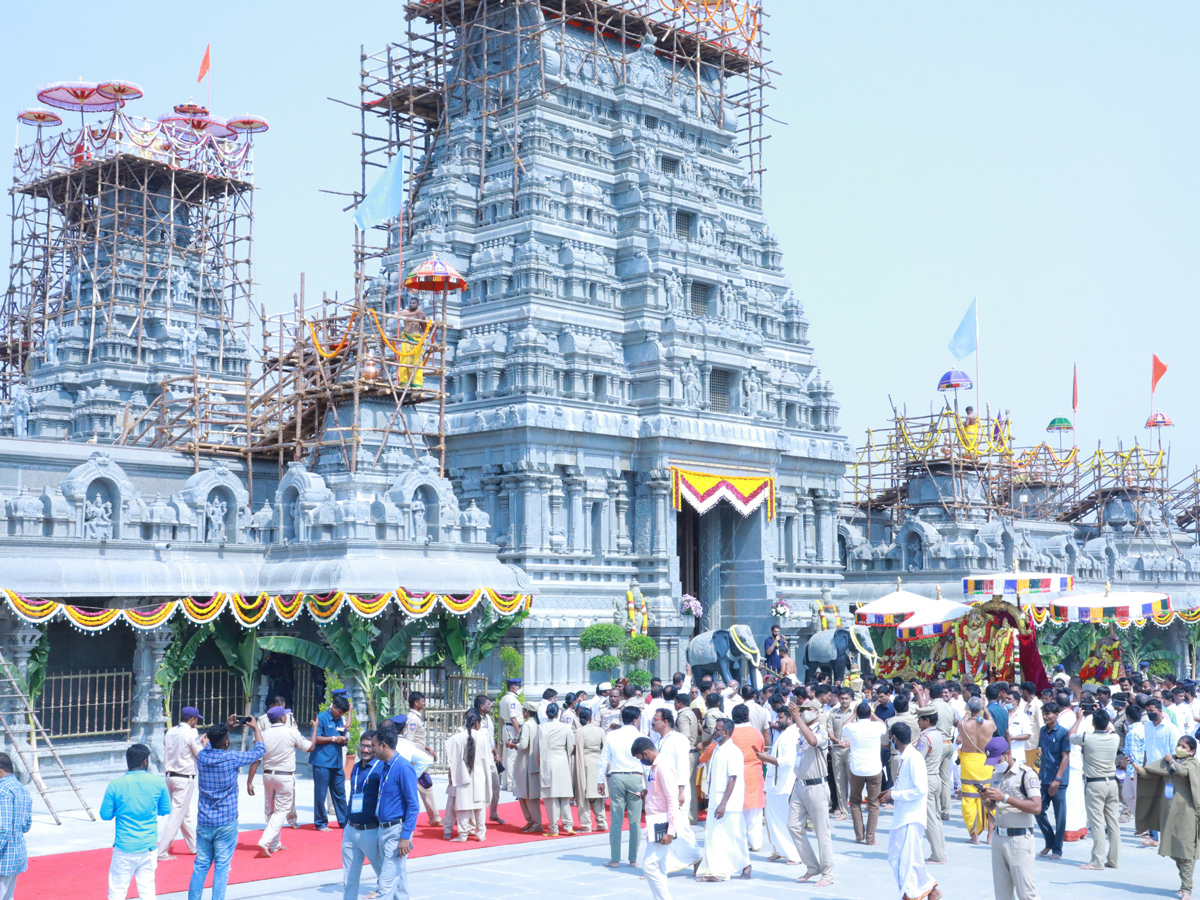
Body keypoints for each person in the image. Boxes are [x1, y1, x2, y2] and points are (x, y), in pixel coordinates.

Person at [188, 718, 265, 900]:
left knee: (201, 865)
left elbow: (207, 740)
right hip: (226, 821)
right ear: (227, 742)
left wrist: (225, 727)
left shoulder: (203, 756)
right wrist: (255, 727)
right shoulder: (232, 758)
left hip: (205, 820)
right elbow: (260, 751)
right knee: (222, 867)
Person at [634, 736, 701, 900]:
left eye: (640, 758)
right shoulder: (656, 766)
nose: (641, 761)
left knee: (649, 866)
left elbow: (672, 799)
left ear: (645, 753)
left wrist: (670, 831)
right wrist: (647, 794)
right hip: (655, 819)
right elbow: (660, 793)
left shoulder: (663, 766)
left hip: (662, 821)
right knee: (660, 866)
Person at [100, 744, 170, 900]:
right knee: (147, 890)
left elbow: (105, 815)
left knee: (117, 890)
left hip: (124, 847)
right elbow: (165, 809)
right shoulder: (158, 783)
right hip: (148, 846)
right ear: (145, 762)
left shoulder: (115, 785)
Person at [881, 723, 940, 900]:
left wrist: (895, 794)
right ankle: (931, 889)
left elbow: (920, 789)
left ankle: (909, 895)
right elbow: (904, 785)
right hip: (903, 816)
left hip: (910, 817)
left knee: (901, 861)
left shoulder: (914, 758)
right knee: (911, 859)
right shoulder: (905, 757)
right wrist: (890, 793)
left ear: (895, 739)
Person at [246, 706, 314, 857]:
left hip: (267, 775)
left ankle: (275, 844)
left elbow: (256, 759)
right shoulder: (291, 732)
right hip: (284, 776)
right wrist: (315, 730)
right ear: (283, 718)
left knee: (271, 810)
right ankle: (265, 840)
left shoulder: (263, 734)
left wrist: (249, 781)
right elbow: (309, 747)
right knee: (282, 810)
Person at [981, 737, 1043, 900]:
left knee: (1026, 893)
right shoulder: (996, 774)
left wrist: (1006, 798)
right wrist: (986, 799)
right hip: (999, 838)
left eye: (998, 760)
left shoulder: (1027, 774)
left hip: (1019, 839)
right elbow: (993, 807)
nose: (996, 764)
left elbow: (1036, 807)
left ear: (1008, 753)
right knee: (1002, 894)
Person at [1145, 733, 1200, 900]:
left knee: (1186, 851)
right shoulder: (1171, 761)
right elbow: (1149, 771)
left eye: (1184, 747)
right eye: (1179, 745)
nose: (1179, 748)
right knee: (1174, 850)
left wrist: (1171, 761)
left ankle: (1186, 890)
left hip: (1187, 813)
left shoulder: (1192, 763)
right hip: (1170, 813)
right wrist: (1134, 765)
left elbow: (1183, 772)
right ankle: (1186, 881)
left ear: (1192, 751)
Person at [786, 699, 834, 886]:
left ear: (815, 711)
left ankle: (828, 873)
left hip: (816, 786)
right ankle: (812, 866)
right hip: (800, 784)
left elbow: (813, 741)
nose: (802, 712)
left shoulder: (820, 730)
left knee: (822, 831)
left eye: (806, 710)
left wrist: (797, 717)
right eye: (800, 710)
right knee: (793, 826)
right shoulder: (800, 732)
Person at [696, 719, 751, 882]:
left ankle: (744, 865)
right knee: (715, 837)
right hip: (716, 800)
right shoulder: (718, 749)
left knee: (735, 835)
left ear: (726, 732)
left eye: (717, 730)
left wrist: (723, 803)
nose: (714, 732)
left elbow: (732, 778)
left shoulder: (733, 751)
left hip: (728, 803)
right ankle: (716, 870)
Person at [1070, 707, 1120, 871]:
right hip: (1111, 783)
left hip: (1094, 783)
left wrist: (1078, 719)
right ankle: (1113, 859)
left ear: (1092, 723)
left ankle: (1097, 860)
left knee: (1097, 823)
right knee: (1113, 823)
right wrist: (1104, 716)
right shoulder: (1115, 738)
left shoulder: (1087, 738)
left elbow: (1070, 736)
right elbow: (1109, 727)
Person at [372, 726, 419, 900]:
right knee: (398, 884)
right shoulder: (385, 766)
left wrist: (405, 836)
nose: (372, 749)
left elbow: (413, 805)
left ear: (384, 746)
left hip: (396, 831)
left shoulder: (403, 767)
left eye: (375, 745)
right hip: (384, 829)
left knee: (385, 885)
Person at [598, 705, 645, 868]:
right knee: (635, 821)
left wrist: (600, 780)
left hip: (616, 776)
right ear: (635, 719)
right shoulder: (641, 736)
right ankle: (633, 859)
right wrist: (646, 784)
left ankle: (615, 859)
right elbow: (646, 763)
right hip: (636, 777)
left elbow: (604, 758)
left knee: (616, 821)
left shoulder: (612, 735)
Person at [159, 706, 206, 860]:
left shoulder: (171, 731)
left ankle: (194, 847)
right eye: (196, 719)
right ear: (192, 719)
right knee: (176, 816)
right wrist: (204, 743)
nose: (196, 722)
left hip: (170, 776)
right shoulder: (190, 733)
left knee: (183, 815)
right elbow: (200, 754)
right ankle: (162, 851)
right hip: (184, 778)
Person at [757, 705, 800, 865]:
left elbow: (788, 761)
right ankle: (779, 850)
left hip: (784, 784)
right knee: (771, 819)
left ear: (790, 718)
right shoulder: (785, 734)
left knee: (784, 821)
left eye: (780, 717)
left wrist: (766, 759)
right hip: (775, 784)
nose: (777, 720)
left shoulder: (792, 735)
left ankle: (793, 855)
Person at [343, 731, 383, 900]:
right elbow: (353, 795)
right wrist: (346, 824)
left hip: (371, 831)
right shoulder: (357, 768)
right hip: (351, 830)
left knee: (386, 876)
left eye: (370, 746)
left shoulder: (381, 768)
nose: (366, 750)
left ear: (377, 747)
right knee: (349, 880)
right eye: (363, 745)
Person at [1138, 697, 1181, 848]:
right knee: (1151, 802)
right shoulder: (1147, 727)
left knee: (1167, 804)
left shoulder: (1171, 728)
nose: (1150, 714)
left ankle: (1171, 835)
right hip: (1150, 769)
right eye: (1148, 711)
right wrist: (1143, 767)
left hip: (1166, 771)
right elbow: (1146, 748)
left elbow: (1176, 752)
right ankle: (1153, 837)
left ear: (1160, 711)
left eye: (1152, 711)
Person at [844, 700, 887, 845]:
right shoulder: (876, 726)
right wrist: (872, 714)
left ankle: (859, 836)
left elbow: (844, 726)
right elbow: (883, 724)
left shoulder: (852, 727)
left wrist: (854, 714)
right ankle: (870, 838)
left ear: (857, 714)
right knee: (874, 804)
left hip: (857, 769)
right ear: (869, 713)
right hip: (874, 769)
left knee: (855, 802)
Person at [445, 709, 491, 841]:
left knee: (463, 805)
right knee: (480, 806)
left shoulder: (457, 738)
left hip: (463, 775)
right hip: (479, 774)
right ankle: (481, 834)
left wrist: (451, 776)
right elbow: (486, 759)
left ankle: (463, 834)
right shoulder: (482, 737)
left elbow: (451, 759)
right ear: (477, 723)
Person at [1034, 701, 1070, 860]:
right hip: (1044, 777)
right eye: (1044, 714)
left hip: (1058, 781)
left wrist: (1057, 779)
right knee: (1038, 810)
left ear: (1056, 715)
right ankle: (1049, 841)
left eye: (1048, 714)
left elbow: (1065, 757)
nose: (1045, 717)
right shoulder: (1043, 731)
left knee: (1060, 815)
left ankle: (1058, 849)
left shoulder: (1063, 733)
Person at [959, 695, 997, 844]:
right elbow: (993, 723)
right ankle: (990, 837)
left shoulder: (962, 725)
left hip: (969, 762)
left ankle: (974, 836)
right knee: (988, 795)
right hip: (984, 761)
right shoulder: (989, 724)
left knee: (968, 799)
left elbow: (963, 720)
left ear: (969, 709)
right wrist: (985, 708)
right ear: (980, 708)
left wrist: (969, 712)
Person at [729, 704, 766, 851]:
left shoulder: (730, 734)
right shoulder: (757, 733)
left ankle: (740, 841)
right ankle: (755, 843)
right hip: (755, 773)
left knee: (737, 810)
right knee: (755, 812)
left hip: (736, 774)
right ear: (748, 715)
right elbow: (762, 750)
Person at [311, 695, 351, 831]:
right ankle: (320, 822)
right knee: (320, 793)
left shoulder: (340, 719)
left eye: (343, 713)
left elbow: (345, 731)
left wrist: (344, 739)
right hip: (322, 761)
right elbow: (315, 738)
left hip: (337, 762)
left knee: (340, 792)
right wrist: (334, 738)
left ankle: (344, 821)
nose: (340, 715)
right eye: (339, 712)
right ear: (333, 707)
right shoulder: (321, 718)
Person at [537, 701, 575, 836]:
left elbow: (538, 749)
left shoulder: (542, 727)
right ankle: (569, 825)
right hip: (562, 761)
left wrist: (539, 763)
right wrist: (565, 755)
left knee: (551, 797)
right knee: (564, 795)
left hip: (549, 761)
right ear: (558, 713)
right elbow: (571, 746)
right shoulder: (566, 727)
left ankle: (554, 829)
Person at [405, 692, 442, 827]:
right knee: (424, 786)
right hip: (416, 758)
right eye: (422, 701)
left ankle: (434, 817)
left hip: (418, 755)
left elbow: (417, 739)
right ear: (416, 703)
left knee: (423, 786)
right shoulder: (413, 719)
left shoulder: (415, 717)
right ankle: (434, 817)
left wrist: (427, 748)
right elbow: (409, 740)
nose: (424, 703)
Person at [915, 705, 946, 865]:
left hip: (926, 778)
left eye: (920, 718)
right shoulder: (938, 734)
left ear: (927, 720)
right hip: (935, 777)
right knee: (936, 817)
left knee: (930, 819)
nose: (918, 721)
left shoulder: (925, 738)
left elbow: (918, 759)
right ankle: (940, 851)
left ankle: (937, 855)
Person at [0, 753, 31, 900]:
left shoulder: (3, 790)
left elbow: (3, 829)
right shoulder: (22, 789)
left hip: (3, 857)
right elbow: (26, 825)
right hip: (16, 854)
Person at [572, 707, 607, 832]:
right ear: (591, 717)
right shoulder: (600, 730)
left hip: (584, 763)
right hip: (598, 762)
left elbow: (574, 748)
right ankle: (602, 821)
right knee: (597, 794)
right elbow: (605, 747)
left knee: (583, 795)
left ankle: (586, 824)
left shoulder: (579, 731)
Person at [511, 701, 543, 833]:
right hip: (531, 763)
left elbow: (523, 745)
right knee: (525, 795)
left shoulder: (528, 725)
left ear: (526, 712)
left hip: (526, 764)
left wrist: (512, 745)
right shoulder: (536, 725)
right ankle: (531, 821)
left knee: (529, 796)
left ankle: (536, 823)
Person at [472, 694, 504, 825]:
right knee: (478, 789)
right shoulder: (474, 718)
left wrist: (496, 755)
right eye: (488, 704)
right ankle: (474, 818)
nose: (491, 706)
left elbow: (491, 739)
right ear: (481, 706)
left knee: (496, 786)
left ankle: (493, 813)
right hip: (479, 759)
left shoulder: (489, 719)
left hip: (490, 758)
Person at [672, 690, 701, 824]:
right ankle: (691, 816)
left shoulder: (683, 716)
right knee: (689, 785)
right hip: (692, 752)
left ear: (680, 703)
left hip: (687, 753)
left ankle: (689, 816)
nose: (674, 704)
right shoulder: (691, 713)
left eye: (675, 702)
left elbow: (684, 737)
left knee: (685, 785)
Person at [829, 689, 853, 820]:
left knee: (853, 781)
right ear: (838, 699)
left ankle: (855, 809)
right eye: (842, 698)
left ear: (851, 700)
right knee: (839, 781)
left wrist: (850, 742)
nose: (844, 701)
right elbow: (830, 732)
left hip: (851, 750)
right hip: (837, 750)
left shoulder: (855, 714)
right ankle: (844, 811)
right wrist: (836, 741)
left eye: (847, 698)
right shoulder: (833, 713)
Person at [498, 678, 522, 792]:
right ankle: (510, 784)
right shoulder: (512, 700)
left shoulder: (504, 698)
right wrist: (519, 733)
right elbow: (513, 718)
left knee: (507, 756)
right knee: (512, 757)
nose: (519, 689)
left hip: (506, 727)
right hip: (512, 728)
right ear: (513, 688)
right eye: (518, 687)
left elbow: (502, 718)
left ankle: (505, 783)